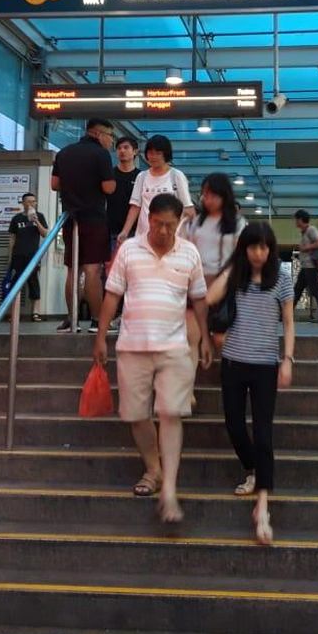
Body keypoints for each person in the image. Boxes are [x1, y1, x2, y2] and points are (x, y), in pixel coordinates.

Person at [94, 193, 211, 524]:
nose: (162, 231)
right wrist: (101, 337)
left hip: (174, 347)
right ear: (148, 218)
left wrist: (203, 340)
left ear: (179, 224)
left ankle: (169, 488)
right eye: (157, 224)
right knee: (135, 414)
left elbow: (200, 299)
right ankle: (153, 468)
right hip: (132, 345)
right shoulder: (130, 249)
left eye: (170, 226)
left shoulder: (188, 252)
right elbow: (112, 294)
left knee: (171, 414)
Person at [206, 222, 294, 545]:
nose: (260, 253)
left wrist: (288, 360)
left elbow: (288, 322)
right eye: (253, 247)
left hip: (265, 366)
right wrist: (231, 270)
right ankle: (254, 469)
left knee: (264, 432)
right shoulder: (237, 277)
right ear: (244, 248)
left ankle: (263, 507)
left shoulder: (282, 280)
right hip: (232, 362)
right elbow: (210, 297)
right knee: (233, 424)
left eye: (265, 247)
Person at [52, 118, 116, 333]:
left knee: (73, 270)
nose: (111, 142)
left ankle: (72, 319)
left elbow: (54, 184)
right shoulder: (101, 155)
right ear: (98, 134)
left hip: (70, 218)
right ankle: (97, 321)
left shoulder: (64, 152)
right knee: (92, 270)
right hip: (94, 218)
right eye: (110, 136)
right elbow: (108, 188)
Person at [182, 173, 244, 354]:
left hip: (225, 284)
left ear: (224, 196)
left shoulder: (237, 223)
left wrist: (226, 278)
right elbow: (185, 248)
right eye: (204, 194)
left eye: (213, 195)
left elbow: (240, 255)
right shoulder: (195, 223)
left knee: (220, 337)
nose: (207, 199)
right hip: (197, 282)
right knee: (191, 335)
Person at [117, 134, 195, 243]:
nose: (153, 157)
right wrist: (125, 231)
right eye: (150, 153)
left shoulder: (176, 176)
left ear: (166, 155)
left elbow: (188, 209)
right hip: (143, 236)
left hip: (171, 237)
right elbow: (135, 207)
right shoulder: (142, 176)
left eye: (158, 153)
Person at [6, 192, 50, 321]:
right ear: (23, 203)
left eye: (34, 201)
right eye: (29, 201)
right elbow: (12, 238)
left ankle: (35, 313)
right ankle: (13, 313)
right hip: (18, 255)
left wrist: (36, 220)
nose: (32, 204)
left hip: (33, 256)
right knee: (15, 283)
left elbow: (45, 234)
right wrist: (10, 256)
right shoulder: (16, 219)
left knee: (34, 283)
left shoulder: (39, 216)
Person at [293, 209, 318, 321]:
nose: (295, 222)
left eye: (296, 219)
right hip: (306, 267)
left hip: (311, 266)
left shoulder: (311, 229)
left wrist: (305, 248)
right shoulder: (305, 231)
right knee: (297, 290)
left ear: (300, 219)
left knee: (316, 290)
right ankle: (285, 314)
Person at [108, 135, 141, 248]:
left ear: (135, 151)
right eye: (119, 148)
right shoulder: (109, 175)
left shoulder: (141, 176)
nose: (122, 151)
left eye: (126, 147)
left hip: (136, 232)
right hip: (111, 231)